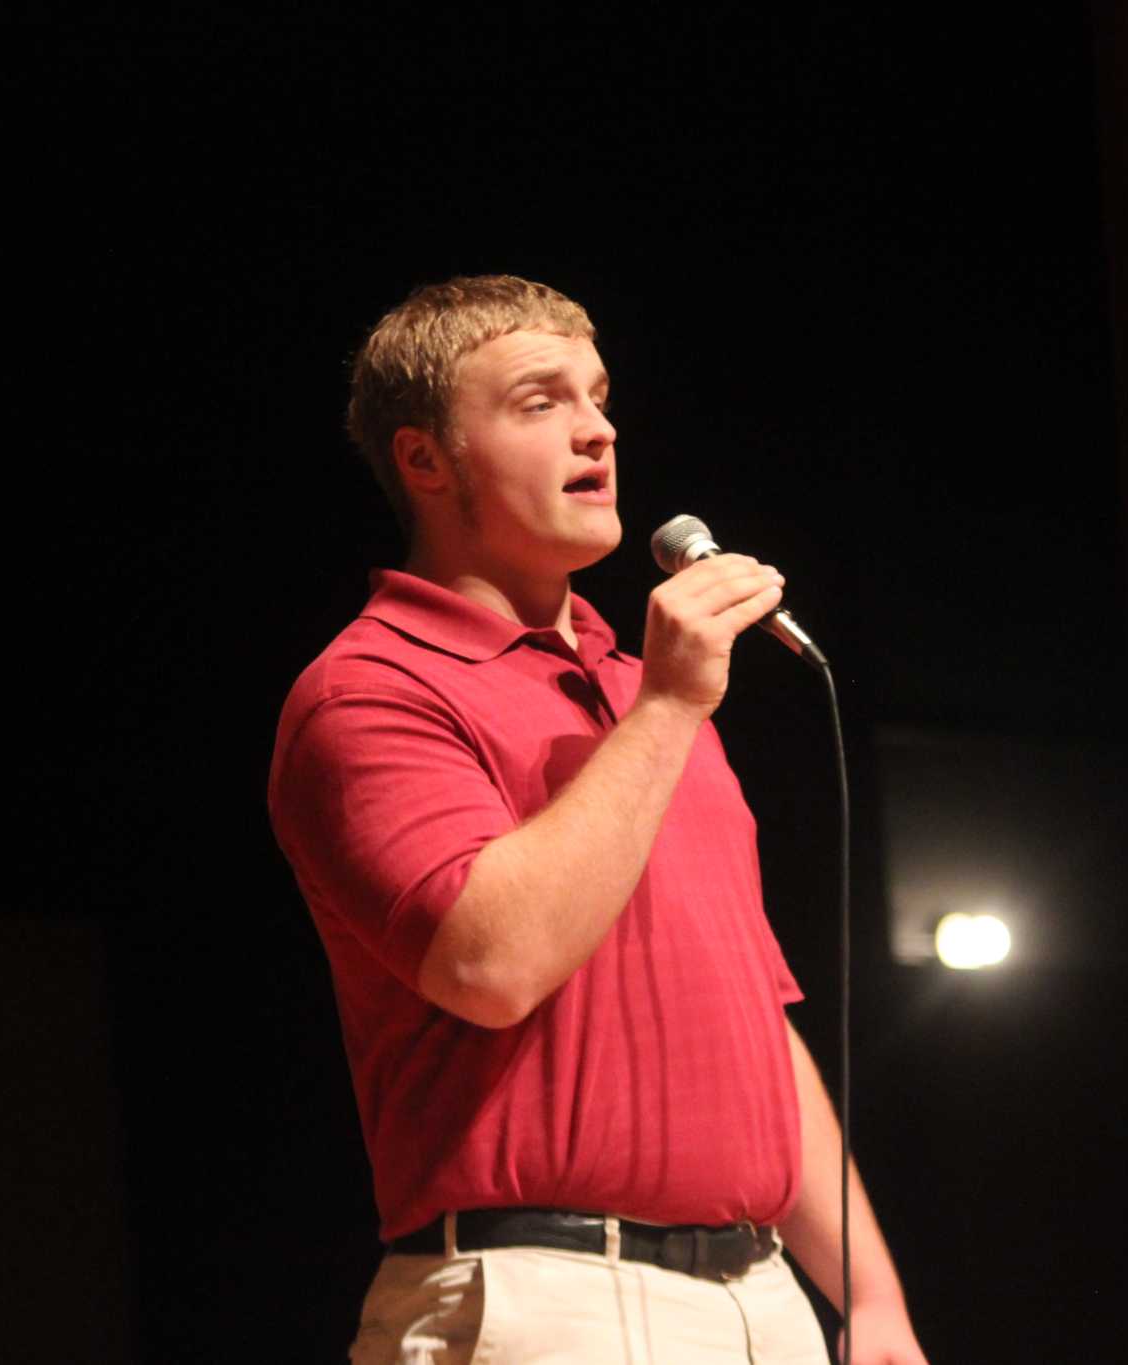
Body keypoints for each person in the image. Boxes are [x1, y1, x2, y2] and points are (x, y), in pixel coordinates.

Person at [268, 275, 927, 1363]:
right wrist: (668, 708)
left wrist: (872, 1302)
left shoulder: (645, 692)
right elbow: (489, 964)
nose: (597, 430)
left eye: (599, 395)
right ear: (424, 460)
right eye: (540, 402)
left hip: (760, 1297)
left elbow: (751, 1020)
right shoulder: (371, 689)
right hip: (547, 1296)